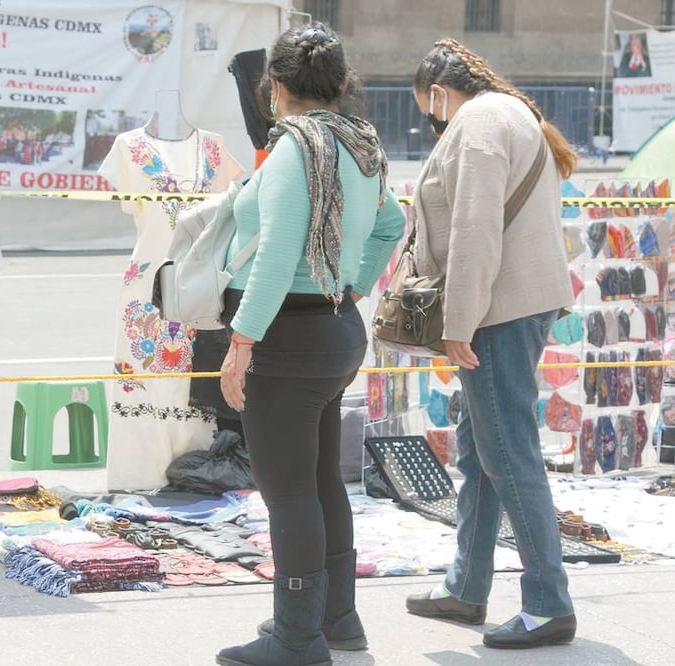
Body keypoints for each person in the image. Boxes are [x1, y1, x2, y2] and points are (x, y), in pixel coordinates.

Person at [215, 23, 406, 666]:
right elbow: (392, 224)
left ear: (275, 86)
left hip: (287, 337)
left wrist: (241, 341)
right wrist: (353, 285)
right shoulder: (359, 144)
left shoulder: (295, 150)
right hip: (333, 330)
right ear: (340, 83)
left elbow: (275, 257)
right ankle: (335, 619)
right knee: (320, 481)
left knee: (289, 491)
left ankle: (297, 640)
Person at [404, 38, 578, 649]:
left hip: (497, 310)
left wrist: (458, 321)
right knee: (482, 451)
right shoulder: (509, 113)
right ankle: (467, 587)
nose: (427, 122)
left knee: (506, 453)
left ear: (437, 94)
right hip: (514, 304)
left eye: (426, 110)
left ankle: (548, 604)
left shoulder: (479, 122)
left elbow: (474, 228)